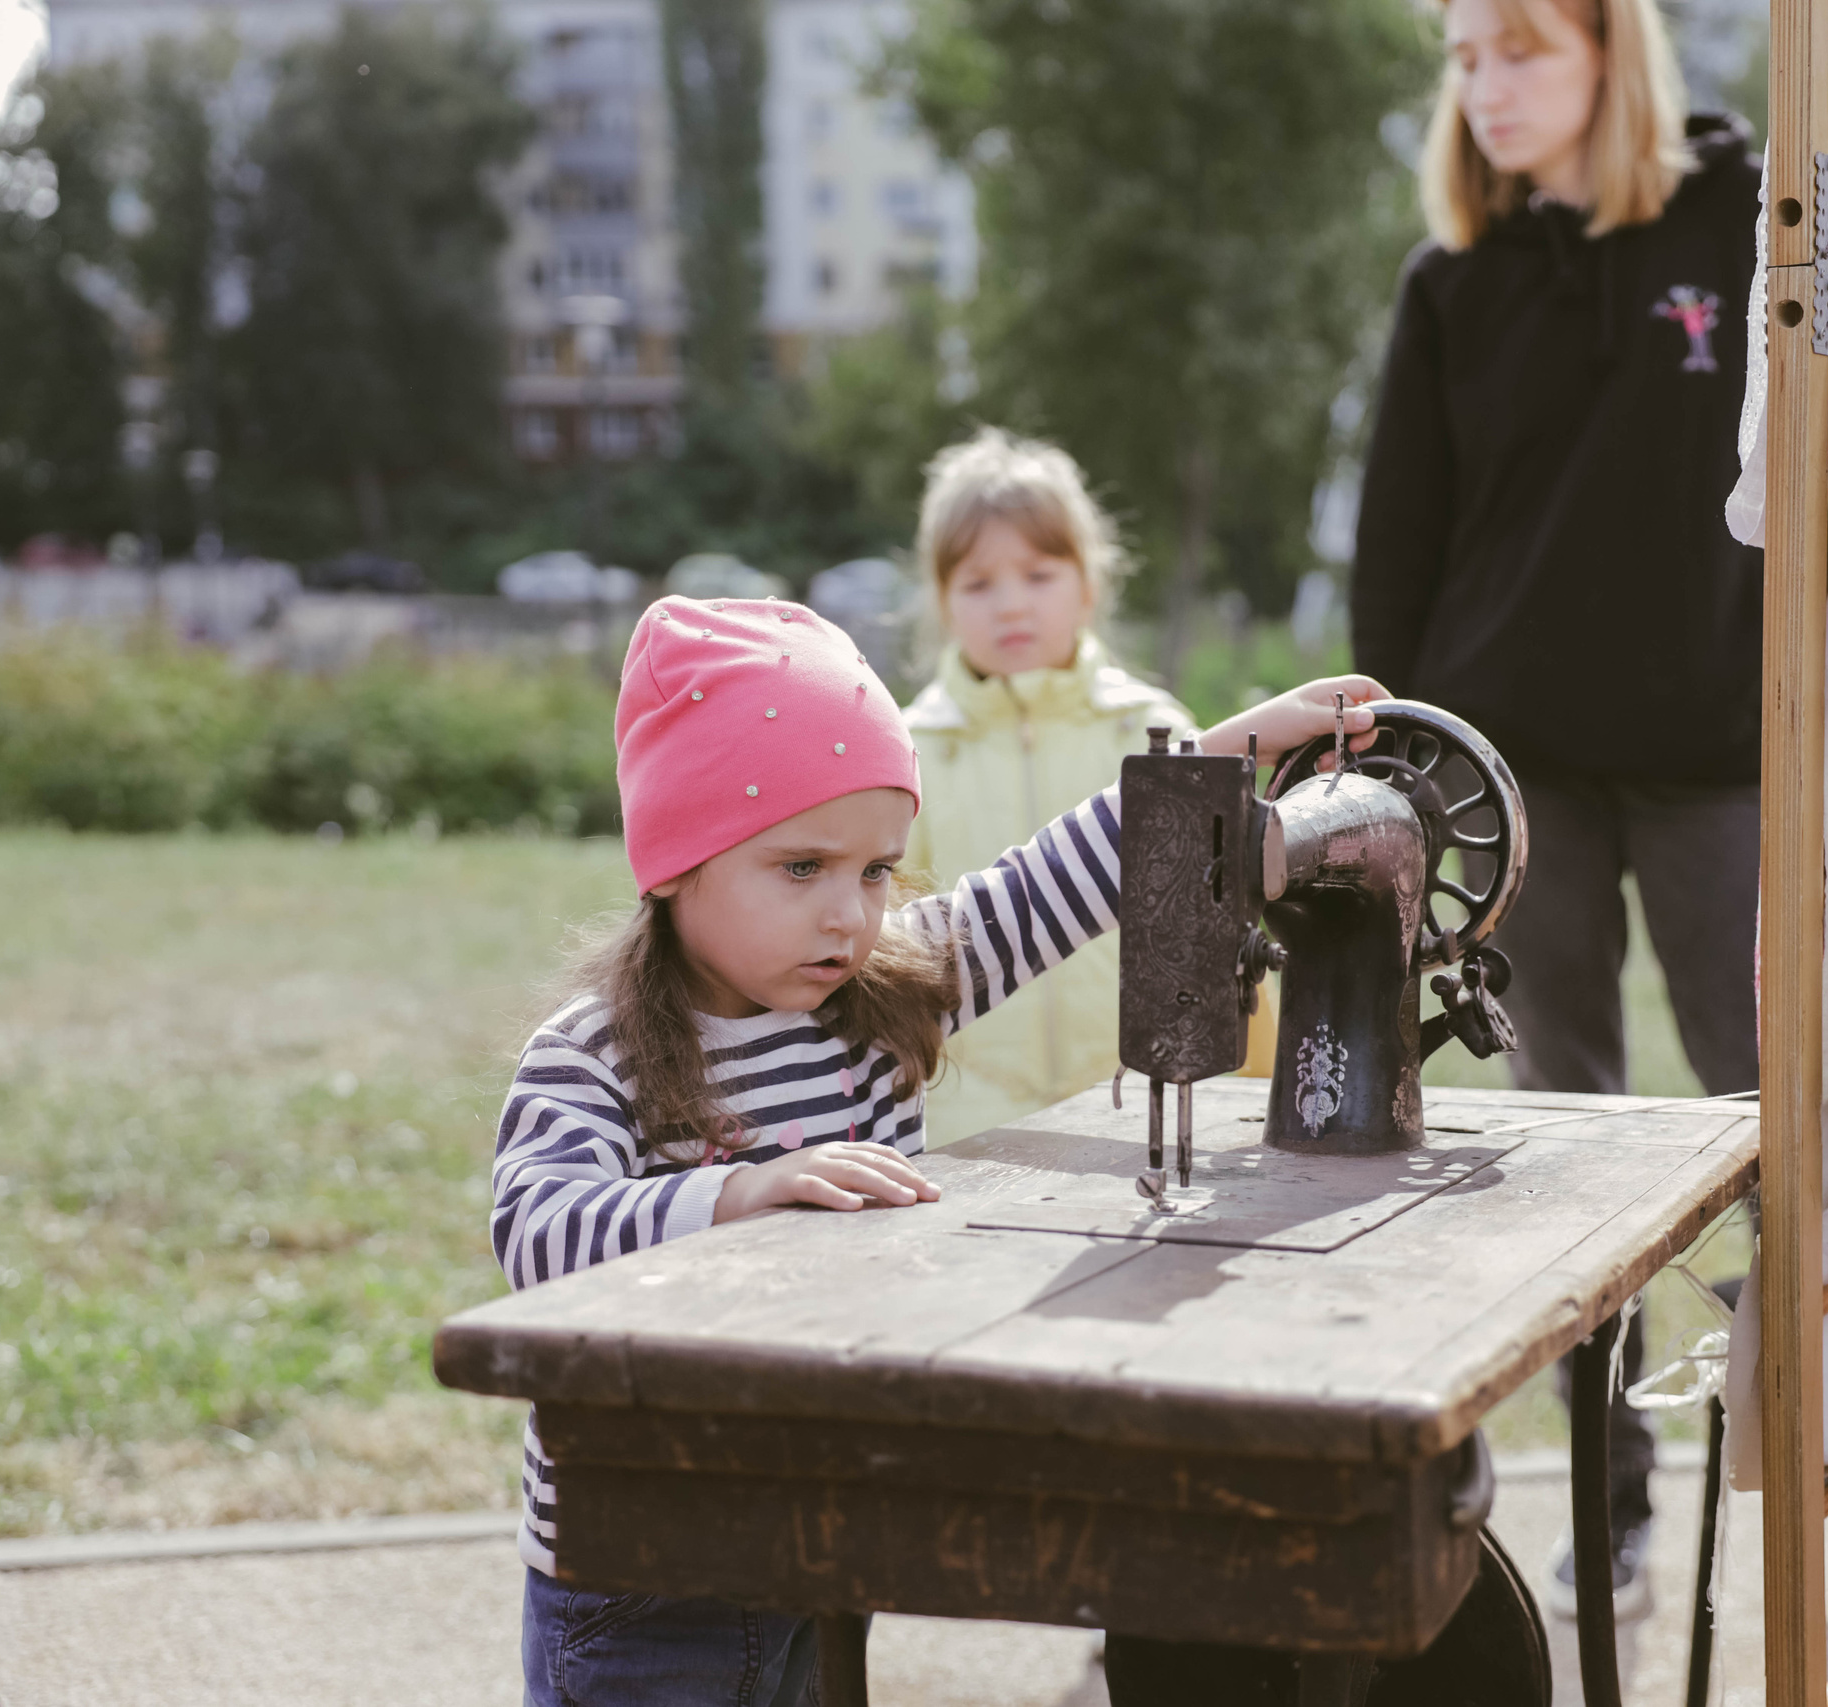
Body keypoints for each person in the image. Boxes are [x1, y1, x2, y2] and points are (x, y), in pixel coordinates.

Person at [495, 592, 1381, 1706]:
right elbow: (535, 1233)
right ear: (675, 859)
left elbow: (1052, 879)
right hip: (642, 1573)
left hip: (817, 1544)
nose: (849, 916)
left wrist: (1226, 754)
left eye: (876, 870)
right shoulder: (594, 1054)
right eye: (802, 868)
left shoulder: (881, 998)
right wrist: (736, 1195)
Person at [1348, 0, 1763, 1626]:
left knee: (1774, 1118)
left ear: (1611, 52)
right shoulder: (1452, 280)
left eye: (1521, 48)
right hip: (1516, 774)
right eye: (1464, 57)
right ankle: (1617, 1507)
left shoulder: (1750, 221)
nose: (1486, 87)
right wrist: (1393, 760)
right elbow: (1400, 535)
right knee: (1565, 1145)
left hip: (1725, 750)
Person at [900, 429, 1264, 1146]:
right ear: (943, 602)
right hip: (962, 1131)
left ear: (1089, 585)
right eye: (978, 583)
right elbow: (888, 943)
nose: (1011, 605)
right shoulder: (908, 751)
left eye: (1038, 575)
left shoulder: (1153, 733)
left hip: (1140, 1115)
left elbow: (1222, 929)